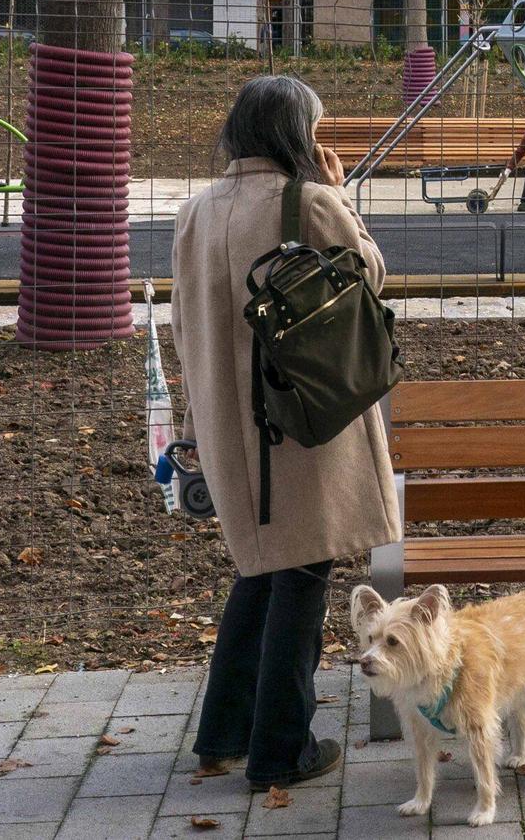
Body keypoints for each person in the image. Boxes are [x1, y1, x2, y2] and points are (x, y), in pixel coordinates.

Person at [169, 75, 399, 792]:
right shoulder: (311, 203)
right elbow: (373, 278)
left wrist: (190, 424)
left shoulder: (196, 212)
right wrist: (344, 199)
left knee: (263, 571)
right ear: (295, 134)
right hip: (300, 423)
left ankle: (223, 734)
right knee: (301, 575)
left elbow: (187, 326)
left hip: (229, 422)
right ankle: (280, 749)